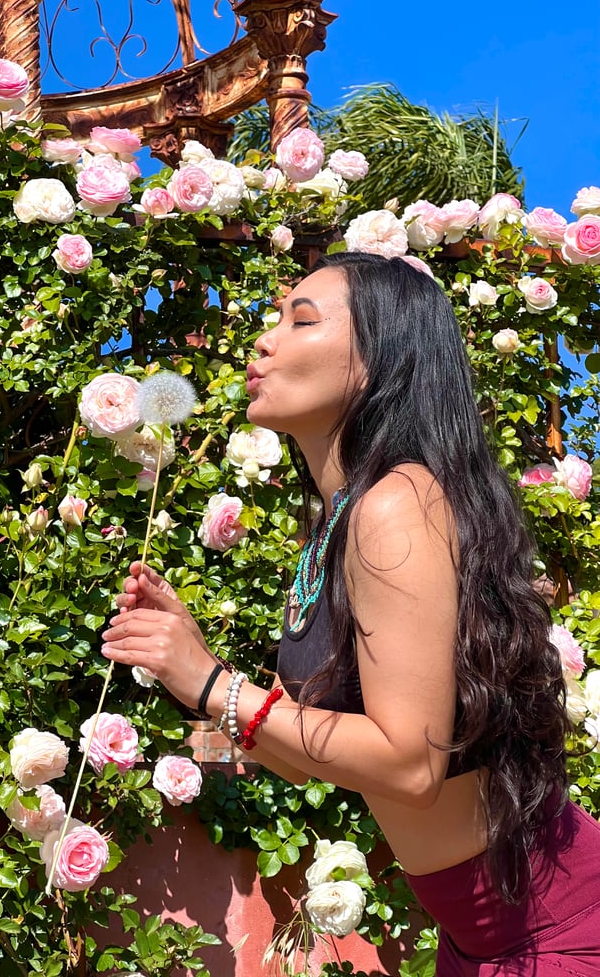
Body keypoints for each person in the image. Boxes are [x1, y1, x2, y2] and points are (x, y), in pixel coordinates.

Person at [101, 251, 600, 974]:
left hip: (556, 931)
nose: (264, 339)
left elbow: (410, 762)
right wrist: (190, 673)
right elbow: (299, 758)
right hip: (477, 939)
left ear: (378, 361)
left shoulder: (396, 503)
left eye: (301, 320)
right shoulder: (331, 532)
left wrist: (211, 681)